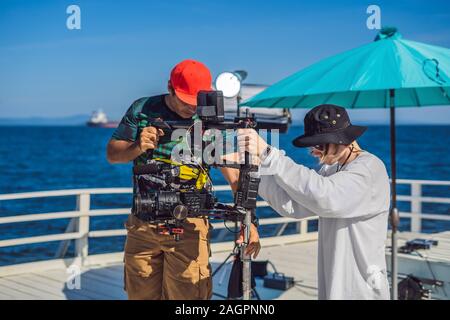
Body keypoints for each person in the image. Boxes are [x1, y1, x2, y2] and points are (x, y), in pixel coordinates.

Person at [106, 59, 260, 300]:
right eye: (186, 102)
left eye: (196, 101)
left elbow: (235, 177)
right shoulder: (142, 109)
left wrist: (250, 222)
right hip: (143, 224)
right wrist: (137, 146)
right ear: (170, 88)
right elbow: (113, 154)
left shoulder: (209, 121)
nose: (192, 109)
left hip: (189, 225)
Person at [236, 104, 391, 300]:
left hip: (362, 289)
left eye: (318, 144)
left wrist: (269, 155)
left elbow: (326, 196)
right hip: (335, 287)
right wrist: (255, 170)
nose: (313, 151)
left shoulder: (368, 169)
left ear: (338, 140)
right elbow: (293, 206)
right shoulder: (334, 170)